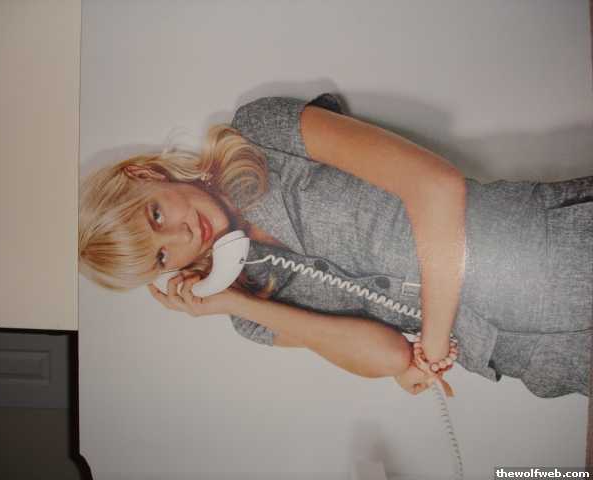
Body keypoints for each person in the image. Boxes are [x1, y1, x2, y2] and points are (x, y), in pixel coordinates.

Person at [79, 92, 592, 398]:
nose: (183, 236)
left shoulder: (259, 131)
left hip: (550, 252)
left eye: (156, 215)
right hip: (526, 354)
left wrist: (434, 341)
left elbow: (437, 187)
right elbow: (391, 358)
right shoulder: (249, 312)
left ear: (147, 175)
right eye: (161, 256)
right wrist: (234, 302)